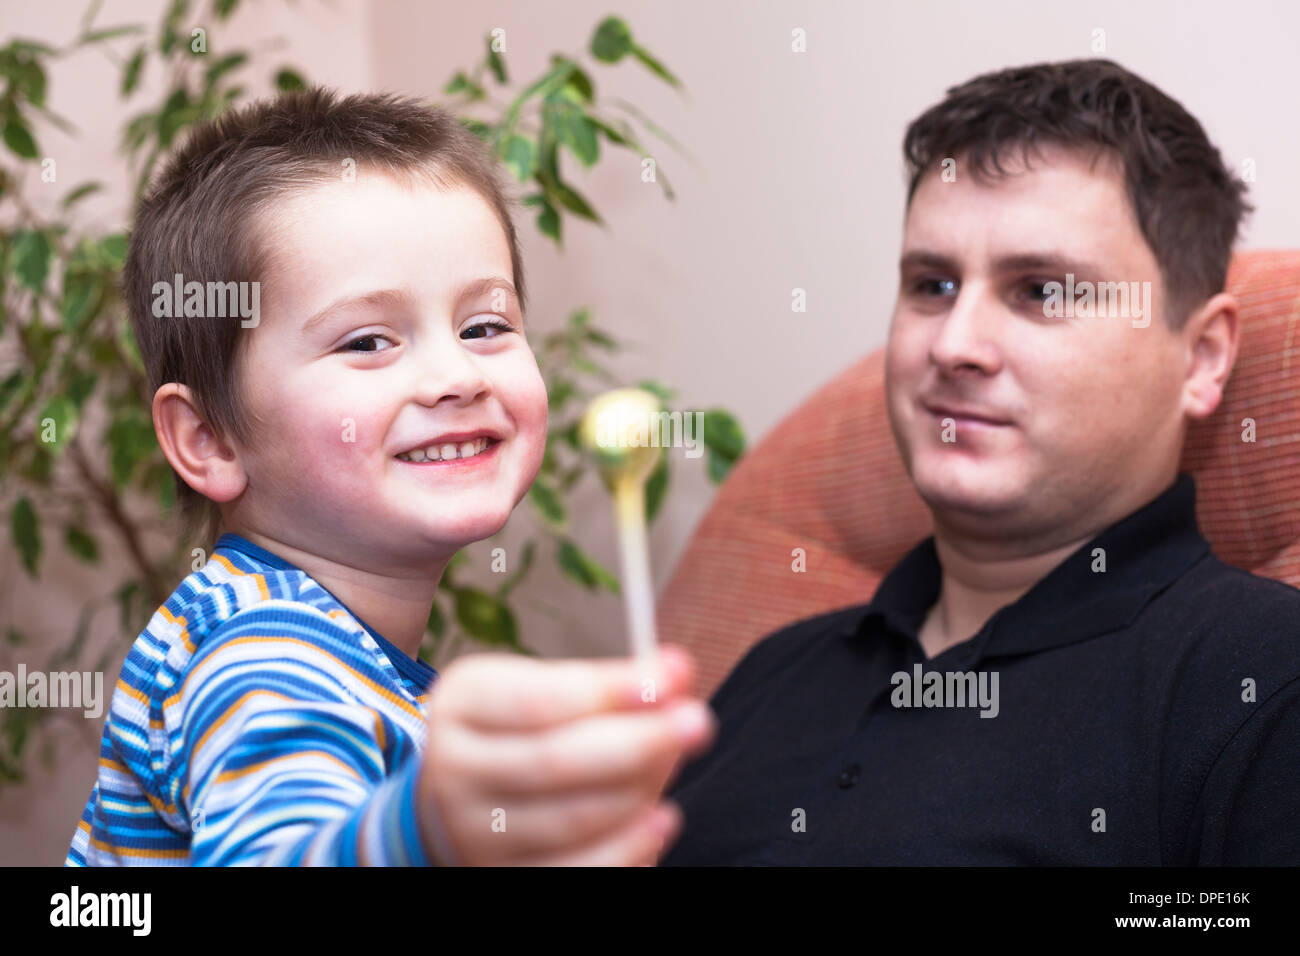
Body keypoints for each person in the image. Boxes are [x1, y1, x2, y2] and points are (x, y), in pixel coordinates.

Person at [662, 59, 1300, 866]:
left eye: (1040, 291)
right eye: (931, 284)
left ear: (1202, 357)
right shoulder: (779, 668)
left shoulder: (1262, 680)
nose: (954, 345)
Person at [65, 87, 715, 867]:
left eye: (485, 326)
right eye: (369, 341)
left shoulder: (324, 645)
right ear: (210, 439)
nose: (455, 375)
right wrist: (430, 831)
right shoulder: (262, 654)